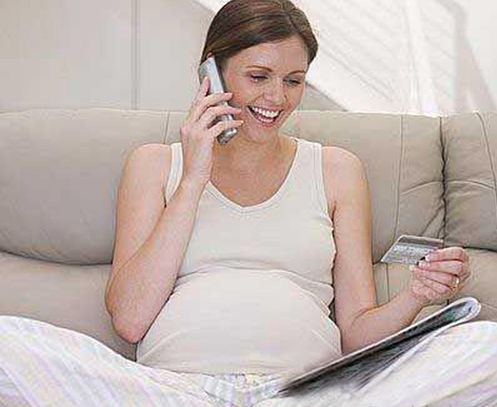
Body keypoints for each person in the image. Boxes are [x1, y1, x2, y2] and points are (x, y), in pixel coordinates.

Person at [1, 1, 497, 407]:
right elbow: (129, 319)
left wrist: (416, 296)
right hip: (173, 391)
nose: (277, 98)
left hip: (307, 393)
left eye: (294, 80)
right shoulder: (153, 165)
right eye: (259, 76)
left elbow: (356, 334)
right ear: (211, 74)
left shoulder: (337, 170)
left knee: (486, 346)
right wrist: (193, 179)